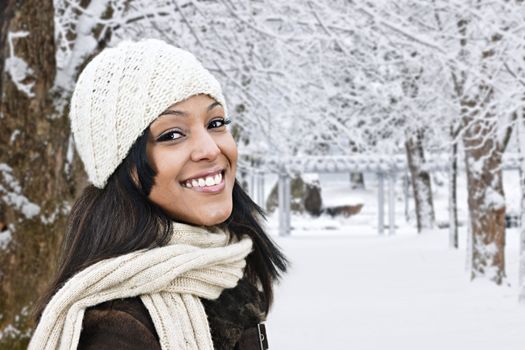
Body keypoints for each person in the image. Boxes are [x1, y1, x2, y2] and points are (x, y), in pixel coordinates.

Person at [30, 39, 288, 350]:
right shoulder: (115, 330)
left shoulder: (227, 279)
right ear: (123, 165)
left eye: (216, 123)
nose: (210, 149)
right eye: (172, 134)